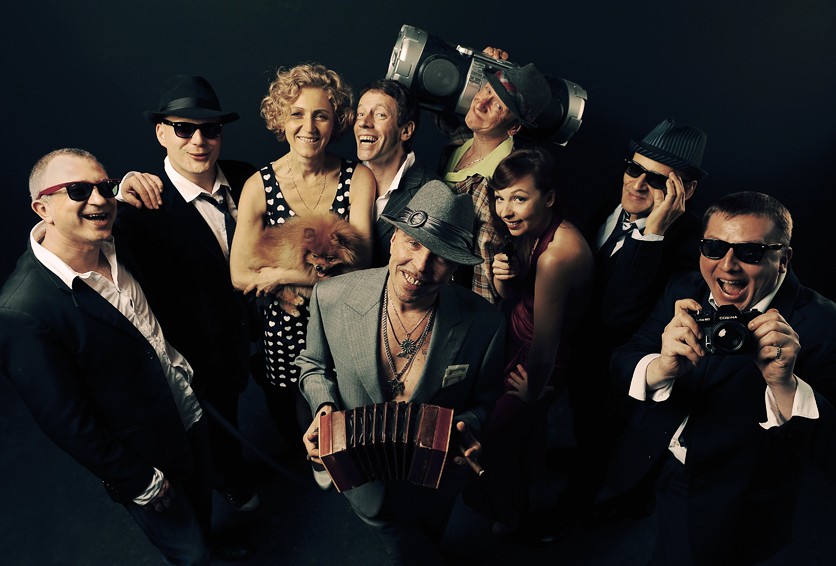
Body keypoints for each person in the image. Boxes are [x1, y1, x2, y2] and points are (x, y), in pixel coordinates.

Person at [0, 148, 251, 564]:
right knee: (189, 552)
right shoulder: (23, 310)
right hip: (144, 458)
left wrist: (130, 181)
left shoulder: (120, 239)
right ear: (42, 208)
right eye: (78, 190)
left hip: (188, 411)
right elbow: (68, 423)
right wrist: (137, 480)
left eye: (104, 186)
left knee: (201, 510)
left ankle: (211, 540)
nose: (98, 199)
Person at [607, 191, 836, 564]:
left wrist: (785, 385)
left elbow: (829, 451)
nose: (727, 266)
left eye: (750, 252)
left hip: (734, 502)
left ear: (783, 259)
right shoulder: (685, 288)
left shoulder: (825, 324)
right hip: (656, 463)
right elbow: (623, 359)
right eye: (714, 248)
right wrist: (661, 367)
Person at [297, 180, 505, 565]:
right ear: (394, 239)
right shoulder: (331, 297)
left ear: (455, 265)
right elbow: (313, 365)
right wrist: (324, 410)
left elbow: (485, 401)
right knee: (403, 550)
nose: (421, 266)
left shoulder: (486, 325)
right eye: (413, 243)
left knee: (428, 535)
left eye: (439, 257)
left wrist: (469, 427)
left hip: (437, 482)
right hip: (363, 482)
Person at [534, 119, 710, 540]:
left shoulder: (690, 247)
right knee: (584, 431)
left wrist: (653, 235)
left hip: (621, 368)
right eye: (634, 168)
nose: (637, 184)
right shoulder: (612, 208)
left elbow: (618, 314)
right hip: (581, 351)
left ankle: (575, 512)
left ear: (685, 191)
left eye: (657, 180)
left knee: (601, 442)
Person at [116, 74, 260, 513]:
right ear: (161, 133)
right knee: (219, 425)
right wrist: (119, 190)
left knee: (282, 393)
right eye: (184, 129)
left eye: (210, 129)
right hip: (203, 347)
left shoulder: (247, 177)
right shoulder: (138, 208)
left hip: (261, 325)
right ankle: (230, 480)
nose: (199, 141)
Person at [230, 63, 375, 464]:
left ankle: (347, 460)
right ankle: (317, 458)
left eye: (320, 115)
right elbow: (239, 274)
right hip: (287, 323)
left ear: (335, 122)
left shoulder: (358, 178)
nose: (308, 127)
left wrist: (281, 275)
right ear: (280, 118)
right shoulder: (259, 186)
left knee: (347, 395)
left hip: (344, 317)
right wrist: (312, 278)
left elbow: (360, 267)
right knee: (295, 398)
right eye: (297, 113)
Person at [471, 148, 593, 532]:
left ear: (549, 197)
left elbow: (547, 339)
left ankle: (512, 516)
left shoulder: (557, 256)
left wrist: (534, 389)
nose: (505, 211)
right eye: (500, 198)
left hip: (537, 359)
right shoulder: (532, 229)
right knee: (520, 435)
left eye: (519, 198)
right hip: (516, 338)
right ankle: (522, 490)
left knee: (492, 437)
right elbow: (514, 298)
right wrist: (501, 277)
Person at [437, 51, 553, 304]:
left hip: (446, 296)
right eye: (487, 90)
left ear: (514, 128)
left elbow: (484, 281)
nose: (480, 104)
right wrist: (478, 62)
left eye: (498, 106)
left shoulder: (498, 187)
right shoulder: (464, 137)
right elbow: (437, 93)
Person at [354, 79, 440, 267]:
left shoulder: (432, 193)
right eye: (360, 113)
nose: (364, 123)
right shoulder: (342, 177)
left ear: (406, 130)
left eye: (380, 115)